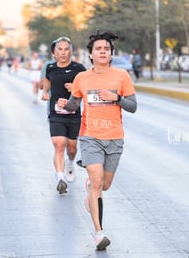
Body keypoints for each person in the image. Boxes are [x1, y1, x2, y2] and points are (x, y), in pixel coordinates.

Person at [57, 31, 137, 250]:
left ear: (111, 54)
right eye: (98, 49)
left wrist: (117, 98)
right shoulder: (82, 78)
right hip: (90, 136)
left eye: (106, 49)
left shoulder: (122, 76)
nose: (103, 52)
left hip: (114, 137)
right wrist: (67, 104)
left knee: (105, 185)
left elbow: (133, 106)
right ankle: (98, 233)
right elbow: (75, 105)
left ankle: (91, 190)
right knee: (97, 180)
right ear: (90, 54)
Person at [41, 36, 86, 194]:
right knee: (59, 144)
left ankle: (70, 163)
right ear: (54, 52)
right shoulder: (50, 68)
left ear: (71, 51)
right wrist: (45, 92)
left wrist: (75, 88)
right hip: (56, 114)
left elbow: (86, 89)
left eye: (66, 49)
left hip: (73, 114)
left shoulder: (79, 69)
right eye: (60, 49)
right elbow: (47, 83)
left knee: (72, 148)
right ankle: (60, 178)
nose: (63, 52)